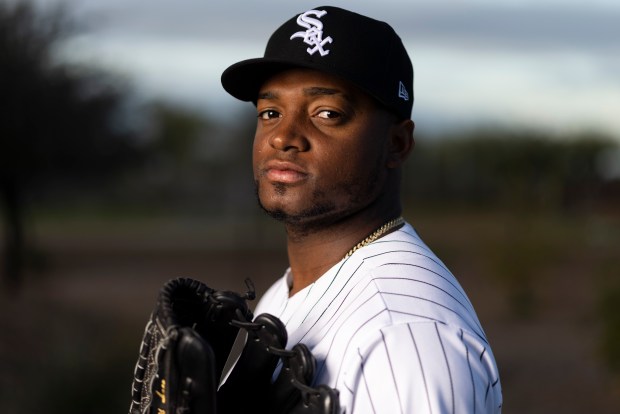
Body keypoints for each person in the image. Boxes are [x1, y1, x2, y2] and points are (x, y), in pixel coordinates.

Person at [221, 5, 502, 413]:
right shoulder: (279, 296)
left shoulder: (405, 337)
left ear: (396, 144)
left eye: (327, 114)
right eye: (270, 112)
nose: (284, 136)